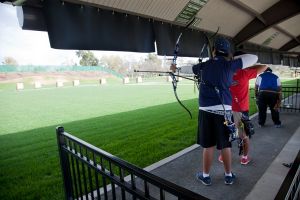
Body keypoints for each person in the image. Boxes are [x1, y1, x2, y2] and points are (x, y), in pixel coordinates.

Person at [170, 37, 258, 186]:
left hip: (206, 111)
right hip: (224, 112)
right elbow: (254, 58)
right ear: (227, 52)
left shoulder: (203, 66)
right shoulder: (231, 65)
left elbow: (187, 69)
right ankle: (228, 176)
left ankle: (205, 176)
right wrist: (232, 59)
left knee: (208, 145)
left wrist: (175, 69)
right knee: (225, 144)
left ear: (214, 50)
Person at [218, 51, 267, 165]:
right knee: (244, 135)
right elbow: (265, 66)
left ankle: (223, 155)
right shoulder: (244, 73)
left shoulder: (225, 72)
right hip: (240, 111)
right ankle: (244, 157)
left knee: (225, 133)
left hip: (225, 109)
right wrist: (248, 65)